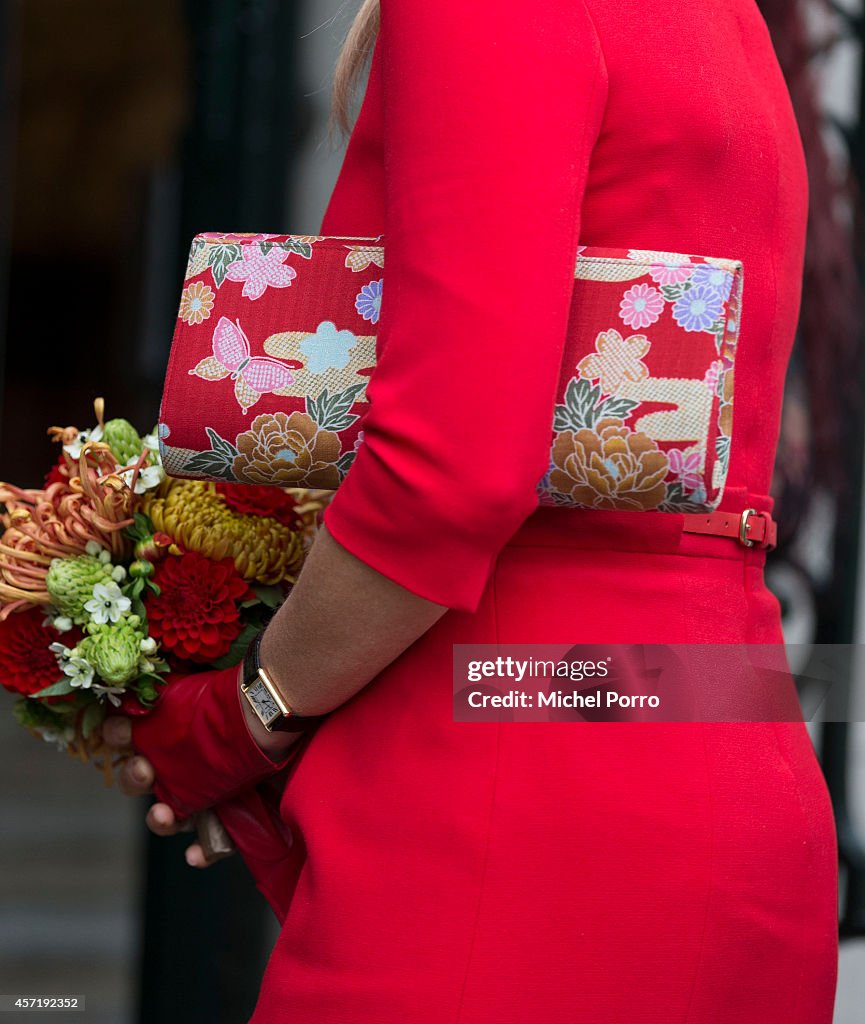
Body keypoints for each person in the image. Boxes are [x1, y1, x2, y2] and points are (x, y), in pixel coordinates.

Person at [102, 0, 840, 1020]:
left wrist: (250, 710)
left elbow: (448, 470)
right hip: (708, 725)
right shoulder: (725, 19)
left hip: (514, 788)